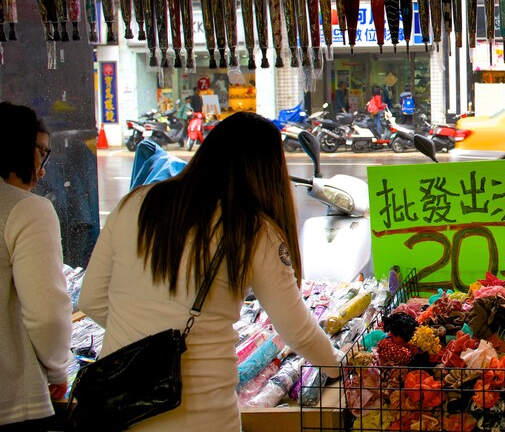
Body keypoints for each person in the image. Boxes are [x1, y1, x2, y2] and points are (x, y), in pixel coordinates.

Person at [79, 112, 343, 431]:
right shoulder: (254, 230)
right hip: (203, 414)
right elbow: (296, 330)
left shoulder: (134, 204)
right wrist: (336, 366)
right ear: (266, 171)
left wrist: (146, 345)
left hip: (122, 409)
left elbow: (91, 300)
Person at [0, 102, 73, 430]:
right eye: (42, 151)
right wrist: (58, 368)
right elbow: (47, 312)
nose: (43, 169)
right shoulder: (28, 210)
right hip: (11, 399)